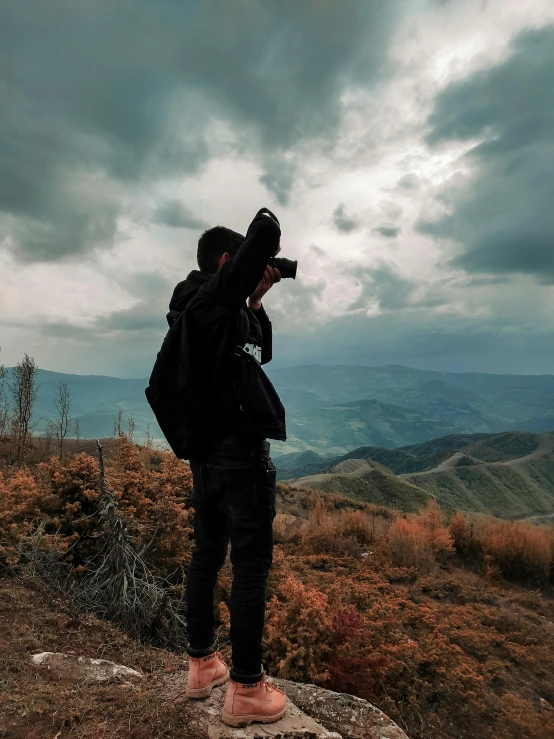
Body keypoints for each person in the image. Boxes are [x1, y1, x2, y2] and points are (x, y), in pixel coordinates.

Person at [167, 208, 287, 727]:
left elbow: (259, 352)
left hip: (206, 455)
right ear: (226, 261)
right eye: (241, 263)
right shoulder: (213, 299)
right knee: (251, 565)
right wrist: (258, 244)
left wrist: (255, 300)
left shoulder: (205, 310)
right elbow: (266, 231)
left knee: (207, 553)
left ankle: (202, 666)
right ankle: (245, 686)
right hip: (238, 454)